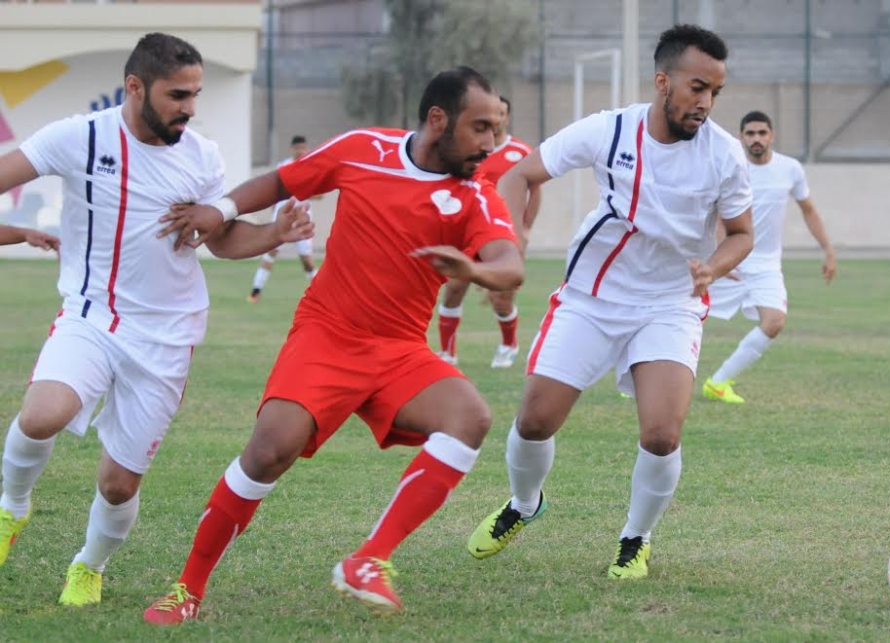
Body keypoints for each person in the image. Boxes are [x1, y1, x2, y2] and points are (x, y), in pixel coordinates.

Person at [143, 66, 522, 624]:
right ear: (438, 119)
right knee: (269, 451)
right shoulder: (363, 148)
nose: (491, 144)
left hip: (398, 350)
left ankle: (369, 559)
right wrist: (221, 210)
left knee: (470, 417)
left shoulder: (476, 196)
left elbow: (510, 267)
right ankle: (187, 589)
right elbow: (281, 181)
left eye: (498, 129)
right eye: (481, 127)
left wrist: (475, 269)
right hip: (327, 334)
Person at [0, 32, 312, 607]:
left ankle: (88, 565)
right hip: (91, 316)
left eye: (195, 94)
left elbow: (220, 239)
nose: (190, 108)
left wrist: (275, 232)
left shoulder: (202, 156)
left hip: (168, 335)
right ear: (136, 87)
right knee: (43, 414)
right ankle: (10, 508)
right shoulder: (79, 137)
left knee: (118, 485)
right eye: (177, 95)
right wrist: (15, 231)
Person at [466, 24, 753, 579]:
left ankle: (635, 537)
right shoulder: (610, 130)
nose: (706, 103)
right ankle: (524, 504)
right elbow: (518, 175)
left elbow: (741, 233)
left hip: (670, 304)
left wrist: (712, 267)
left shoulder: (726, 155)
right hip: (591, 298)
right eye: (697, 88)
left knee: (662, 432)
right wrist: (508, 242)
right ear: (663, 81)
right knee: (534, 421)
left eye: (716, 92)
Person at [701, 110, 836, 404]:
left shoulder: (790, 169)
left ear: (771, 135)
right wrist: (724, 258)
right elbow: (722, 219)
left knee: (774, 321)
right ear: (741, 138)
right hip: (729, 259)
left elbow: (808, 210)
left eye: (762, 133)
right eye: (750, 133)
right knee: (680, 313)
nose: (757, 139)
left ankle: (718, 382)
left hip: (766, 266)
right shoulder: (732, 167)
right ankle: (636, 377)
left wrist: (827, 249)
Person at [437, 95, 541, 368]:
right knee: (454, 288)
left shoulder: (520, 152)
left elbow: (535, 191)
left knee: (501, 299)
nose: (496, 120)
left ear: (506, 117)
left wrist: (525, 227)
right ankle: (447, 353)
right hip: (469, 233)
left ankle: (508, 345)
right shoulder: (468, 148)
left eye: (501, 114)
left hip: (503, 235)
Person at [247, 135, 318, 303]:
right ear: (292, 149)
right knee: (271, 251)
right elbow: (275, 191)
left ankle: (320, 293)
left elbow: (319, 194)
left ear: (306, 149)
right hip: (283, 214)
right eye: (297, 148)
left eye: (303, 148)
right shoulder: (283, 167)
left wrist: (308, 191)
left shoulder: (311, 167)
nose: (300, 151)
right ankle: (255, 291)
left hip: (302, 217)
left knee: (307, 261)